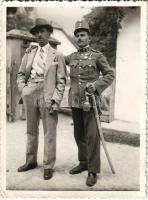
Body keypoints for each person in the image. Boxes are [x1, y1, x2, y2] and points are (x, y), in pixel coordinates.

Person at [65, 20, 115, 187]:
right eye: (77, 36)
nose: (79, 38)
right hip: (75, 102)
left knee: (92, 137)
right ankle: (83, 162)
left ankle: (93, 170)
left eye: (82, 35)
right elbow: (55, 58)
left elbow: (109, 74)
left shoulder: (97, 56)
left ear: (89, 38)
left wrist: (96, 86)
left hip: (91, 102)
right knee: (78, 135)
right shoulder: (71, 57)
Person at [17, 18, 66, 180]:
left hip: (48, 95)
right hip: (30, 92)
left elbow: (61, 81)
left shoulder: (57, 54)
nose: (39, 35)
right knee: (31, 130)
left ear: (49, 33)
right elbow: (21, 74)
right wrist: (23, 90)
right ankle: (30, 161)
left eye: (42, 31)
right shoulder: (30, 52)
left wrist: (55, 100)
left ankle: (48, 165)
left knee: (49, 132)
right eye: (37, 32)